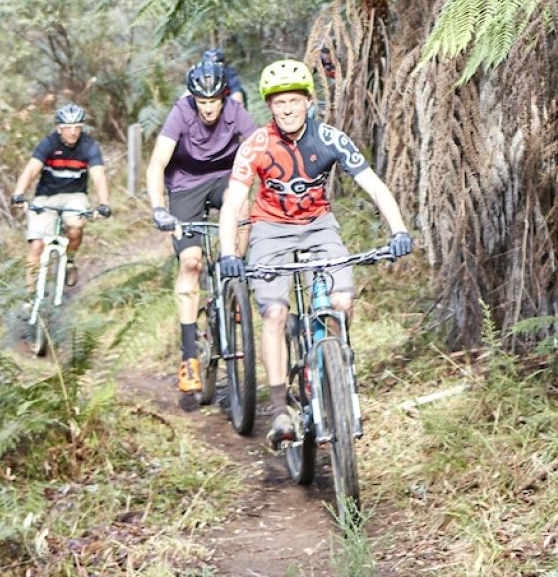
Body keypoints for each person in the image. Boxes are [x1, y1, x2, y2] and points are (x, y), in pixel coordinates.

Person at [216, 59, 413, 449]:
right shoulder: (256, 145)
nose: (287, 109)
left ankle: (330, 368)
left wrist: (399, 229)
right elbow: (233, 200)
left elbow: (373, 185)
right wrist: (228, 251)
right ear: (269, 107)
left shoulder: (331, 139)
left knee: (341, 301)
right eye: (278, 103)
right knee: (274, 312)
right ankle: (280, 409)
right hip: (271, 230)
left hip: (319, 226)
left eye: (293, 100)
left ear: (308, 100)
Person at [146, 59, 260, 394]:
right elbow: (157, 164)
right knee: (191, 263)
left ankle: (233, 275)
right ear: (193, 98)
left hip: (224, 179)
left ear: (225, 96)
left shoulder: (235, 111)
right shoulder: (180, 112)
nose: (209, 109)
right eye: (203, 102)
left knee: (244, 208)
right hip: (185, 186)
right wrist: (157, 208)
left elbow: (260, 150)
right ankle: (189, 356)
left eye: (214, 101)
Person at [10, 102, 111, 288]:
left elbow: (98, 175)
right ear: (59, 128)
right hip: (46, 196)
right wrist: (19, 194)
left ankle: (70, 260)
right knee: (37, 245)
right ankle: (29, 295)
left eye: (77, 127)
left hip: (75, 195)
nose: (72, 132)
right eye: (67, 128)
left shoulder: (88, 145)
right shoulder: (48, 144)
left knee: (76, 227)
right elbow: (31, 170)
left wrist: (104, 203)